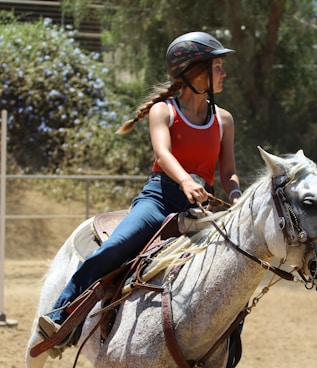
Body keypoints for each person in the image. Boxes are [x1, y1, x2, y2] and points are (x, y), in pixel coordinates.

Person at [38, 31, 242, 359]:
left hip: (202, 209)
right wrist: (186, 182)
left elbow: (228, 170)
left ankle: (226, 348)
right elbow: (163, 154)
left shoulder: (224, 120)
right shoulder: (164, 111)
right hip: (160, 199)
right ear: (195, 72)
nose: (224, 73)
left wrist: (234, 193)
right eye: (217, 66)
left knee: (234, 268)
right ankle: (62, 314)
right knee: (117, 247)